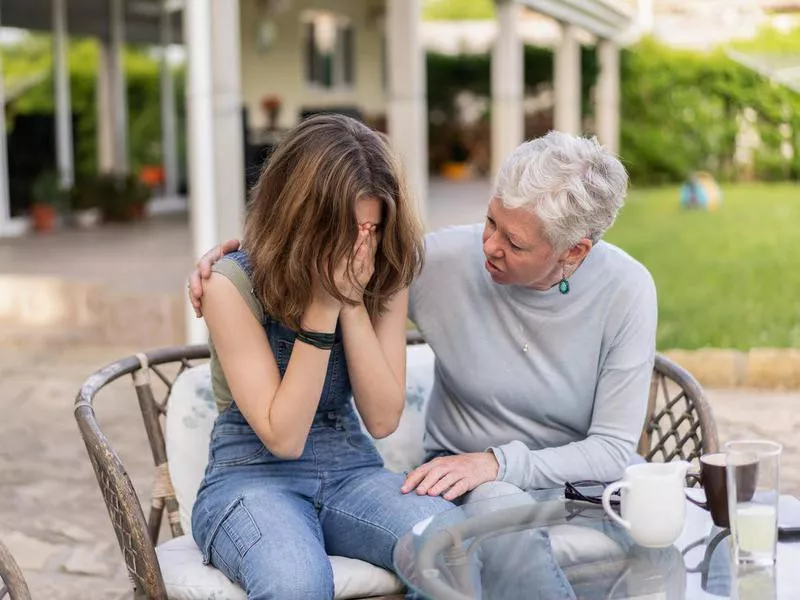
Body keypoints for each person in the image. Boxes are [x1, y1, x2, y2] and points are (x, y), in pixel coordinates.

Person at [189, 130, 658, 509]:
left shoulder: (627, 289)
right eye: (491, 221)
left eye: (514, 244)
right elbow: (333, 258)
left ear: (574, 251)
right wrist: (247, 259)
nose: (489, 246)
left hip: (585, 483)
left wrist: (497, 463)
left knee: (681, 534)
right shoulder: (436, 262)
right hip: (464, 479)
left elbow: (614, 449)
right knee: (499, 519)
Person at [189, 114, 452, 600]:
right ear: (299, 219)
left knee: (452, 549)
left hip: (351, 466)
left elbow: (381, 417)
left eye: (372, 228)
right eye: (346, 229)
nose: (361, 245)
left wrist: (351, 303)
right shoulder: (232, 285)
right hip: (251, 476)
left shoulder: (381, 272)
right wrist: (324, 305)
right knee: (295, 582)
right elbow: (283, 437)